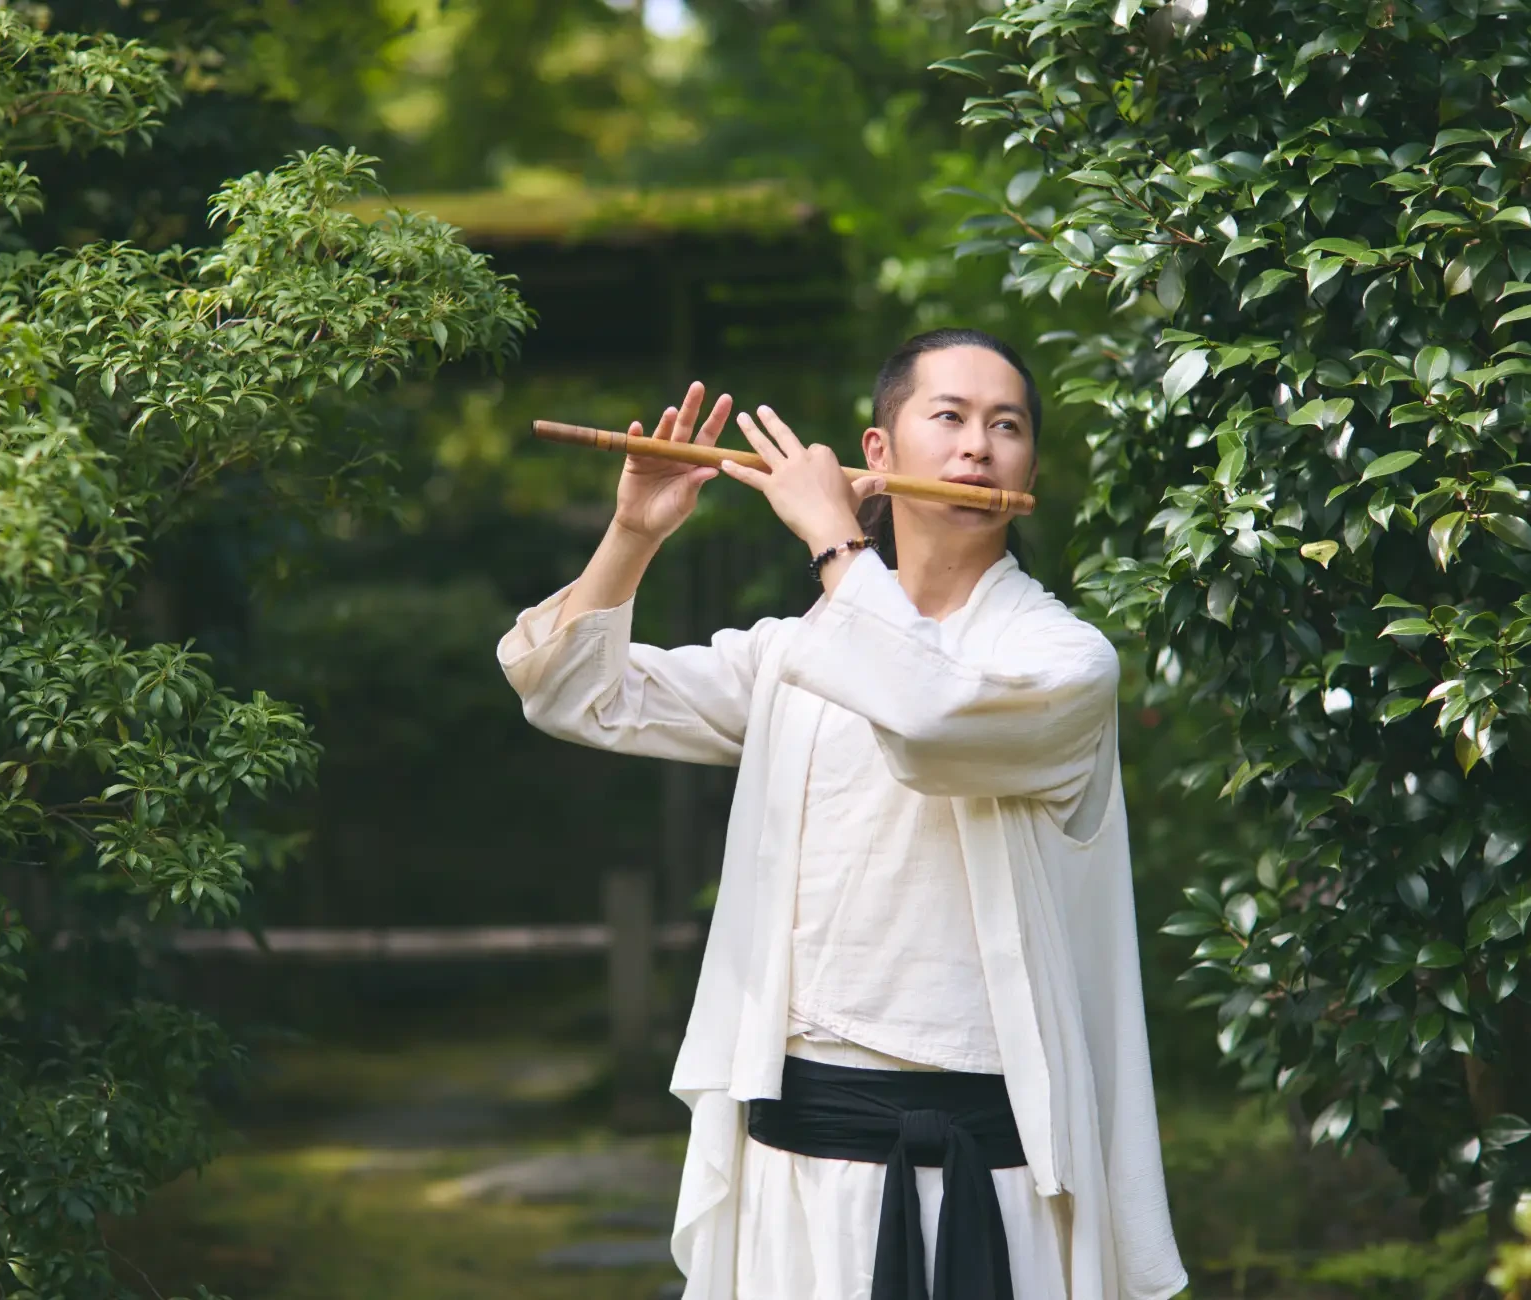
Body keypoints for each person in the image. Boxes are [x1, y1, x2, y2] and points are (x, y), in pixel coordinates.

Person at [497, 329, 1186, 1300]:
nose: (978, 448)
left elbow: (930, 718)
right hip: (797, 1150)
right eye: (947, 417)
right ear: (878, 454)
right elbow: (575, 694)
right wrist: (635, 532)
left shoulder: (1064, 661)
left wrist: (834, 539)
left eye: (1007, 426)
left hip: (987, 1166)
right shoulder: (800, 653)